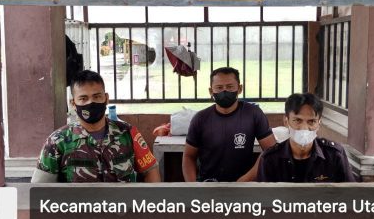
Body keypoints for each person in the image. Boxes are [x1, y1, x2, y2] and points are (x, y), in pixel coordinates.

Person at [31, 70, 161, 183]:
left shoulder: (128, 133)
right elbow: (39, 189)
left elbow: (151, 172)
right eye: (83, 98)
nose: (91, 103)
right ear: (73, 104)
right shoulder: (57, 141)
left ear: (106, 98)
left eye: (97, 97)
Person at [182, 67, 276, 182]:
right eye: (219, 88)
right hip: (208, 185)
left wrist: (245, 180)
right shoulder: (200, 118)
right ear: (211, 91)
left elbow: (271, 150)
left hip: (244, 185)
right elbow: (189, 156)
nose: (224, 91)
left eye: (230, 87)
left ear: (240, 89)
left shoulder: (253, 114)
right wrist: (193, 187)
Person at [257, 93, 358, 182]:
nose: (304, 128)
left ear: (319, 124)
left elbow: (351, 194)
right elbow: (264, 197)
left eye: (312, 121)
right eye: (297, 120)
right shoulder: (270, 160)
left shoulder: (334, 155)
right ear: (286, 121)